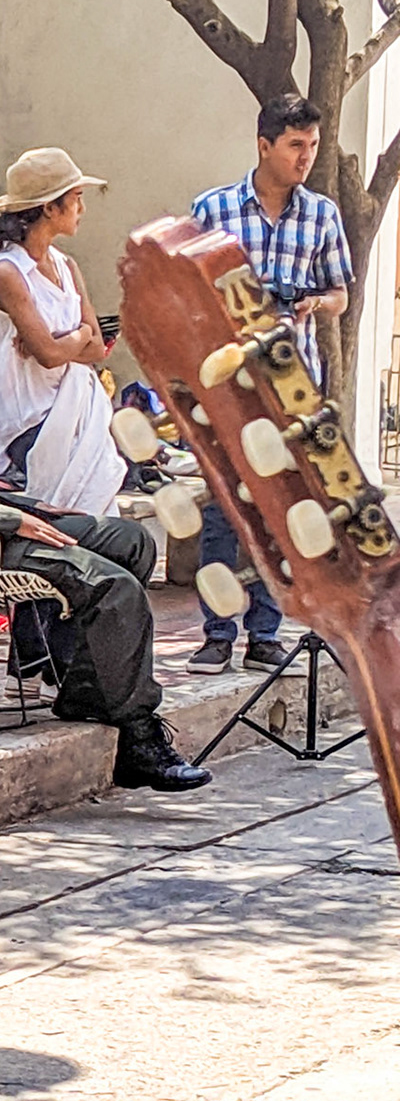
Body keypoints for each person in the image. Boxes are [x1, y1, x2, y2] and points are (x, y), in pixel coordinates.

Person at [0, 369, 212, 794]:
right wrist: (14, 519)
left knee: (132, 541)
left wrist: (29, 507)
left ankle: (85, 691)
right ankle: (137, 737)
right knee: (112, 586)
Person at [186, 94, 352, 674]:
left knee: (281, 508)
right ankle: (215, 633)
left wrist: (314, 303)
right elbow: (187, 291)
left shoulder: (322, 216)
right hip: (228, 382)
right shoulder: (212, 210)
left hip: (291, 383)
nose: (306, 157)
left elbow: (341, 294)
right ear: (264, 146)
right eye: (295, 146)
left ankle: (264, 631)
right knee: (223, 508)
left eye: (312, 145)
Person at [0, 148, 123, 517]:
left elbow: (95, 348)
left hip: (70, 412)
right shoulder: (7, 273)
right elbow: (53, 353)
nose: (82, 209)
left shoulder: (67, 266)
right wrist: (74, 339)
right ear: (49, 208)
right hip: (27, 424)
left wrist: (63, 342)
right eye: (75, 199)